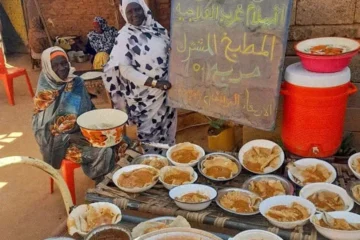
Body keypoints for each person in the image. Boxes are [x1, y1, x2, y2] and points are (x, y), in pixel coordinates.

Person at [102, 0, 176, 155]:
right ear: (124, 13)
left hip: (167, 91)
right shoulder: (124, 37)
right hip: (144, 97)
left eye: (137, 10)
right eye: (129, 12)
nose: (134, 14)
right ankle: (153, 165)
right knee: (149, 134)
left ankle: (169, 163)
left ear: (144, 9)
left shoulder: (158, 29)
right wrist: (155, 83)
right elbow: (126, 71)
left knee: (167, 128)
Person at [32, 46, 114, 182]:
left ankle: (111, 177)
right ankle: (103, 185)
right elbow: (42, 133)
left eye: (64, 63)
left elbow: (89, 109)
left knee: (118, 141)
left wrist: (100, 126)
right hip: (60, 144)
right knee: (103, 151)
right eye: (55, 65)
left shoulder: (76, 82)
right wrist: (69, 137)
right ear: (48, 68)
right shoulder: (45, 95)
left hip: (84, 132)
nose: (62, 68)